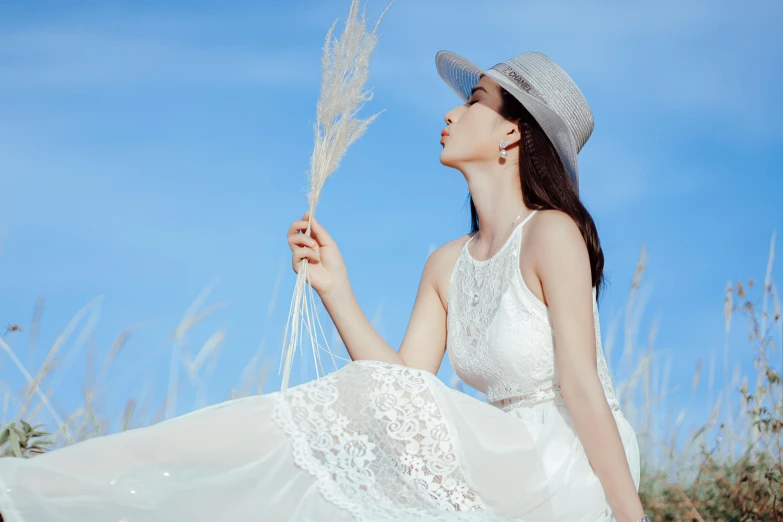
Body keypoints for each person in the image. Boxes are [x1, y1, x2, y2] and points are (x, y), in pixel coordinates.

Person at [0, 50, 649, 522]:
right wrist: (335, 288)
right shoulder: (445, 262)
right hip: (496, 455)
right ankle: (69, 491)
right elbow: (400, 385)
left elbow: (581, 386)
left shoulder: (551, 234)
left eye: (474, 98)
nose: (452, 112)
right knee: (336, 427)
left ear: (511, 132)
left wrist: (630, 515)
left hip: (565, 460)